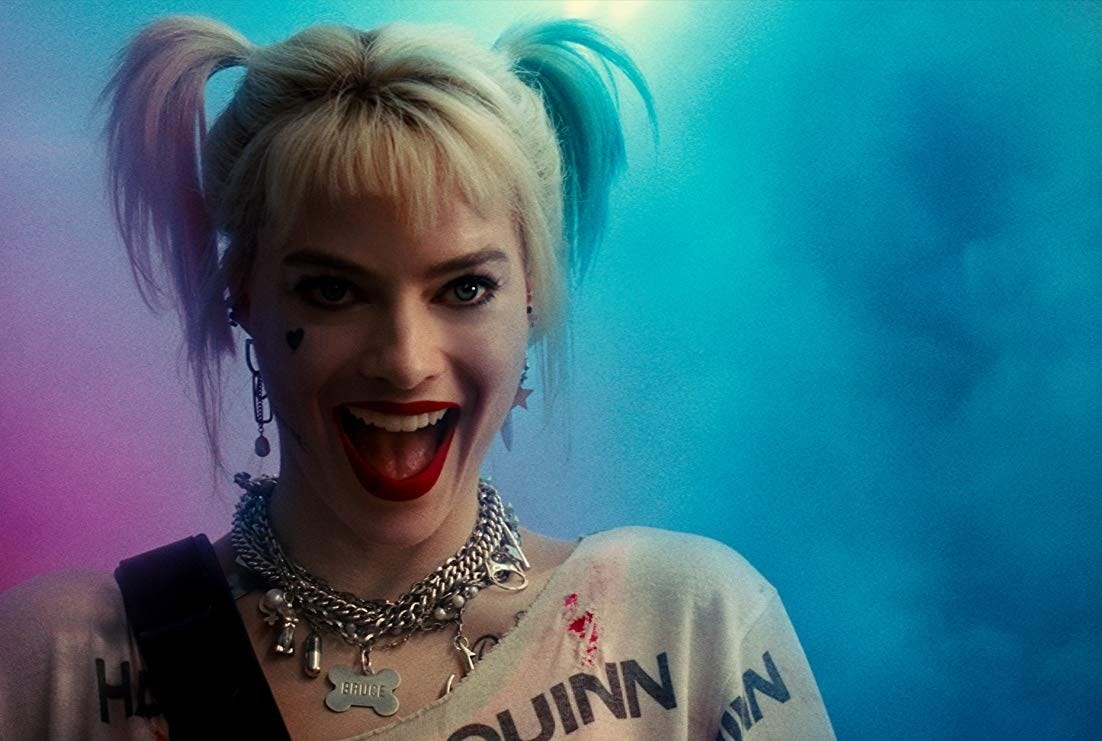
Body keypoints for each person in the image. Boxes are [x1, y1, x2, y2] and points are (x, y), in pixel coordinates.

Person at [0, 13, 835, 740]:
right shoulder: (65, 662)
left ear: (534, 297)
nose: (404, 360)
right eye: (333, 291)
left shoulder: (686, 626)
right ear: (242, 296)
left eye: (464, 289)